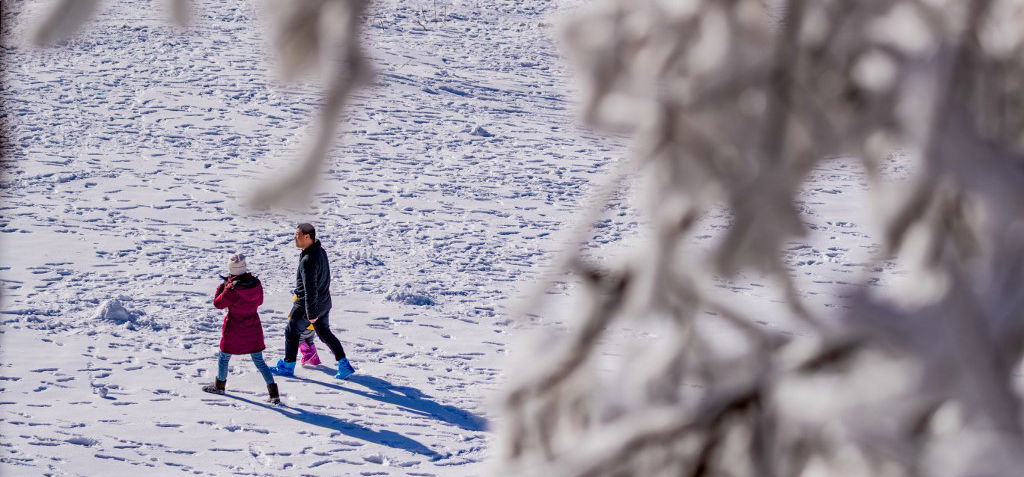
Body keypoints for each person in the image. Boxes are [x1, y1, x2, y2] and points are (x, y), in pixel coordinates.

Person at [271, 223, 356, 379]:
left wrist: (311, 313)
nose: (294, 238)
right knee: (324, 334)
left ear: (307, 237)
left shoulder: (308, 259)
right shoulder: (320, 251)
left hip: (307, 304)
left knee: (291, 332)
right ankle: (344, 364)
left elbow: (310, 288)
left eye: (297, 235)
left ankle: (288, 366)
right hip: (324, 302)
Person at [201, 253, 280, 404]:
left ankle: (220, 386)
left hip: (235, 329)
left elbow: (218, 304)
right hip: (253, 327)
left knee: (224, 357)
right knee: (259, 361)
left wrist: (222, 288)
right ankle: (273, 393)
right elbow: (260, 301)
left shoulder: (231, 289)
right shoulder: (256, 283)